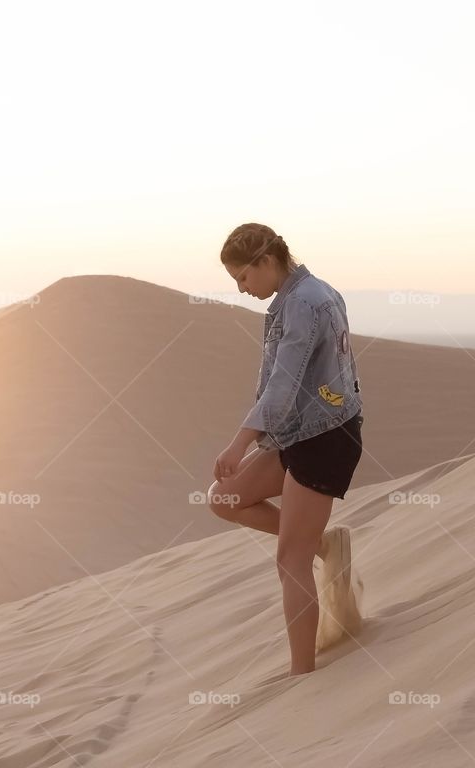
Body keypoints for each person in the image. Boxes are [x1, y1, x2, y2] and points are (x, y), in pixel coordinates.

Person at [208, 222, 365, 676]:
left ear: (266, 261)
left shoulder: (303, 304)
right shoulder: (307, 295)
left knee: (287, 560)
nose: (241, 288)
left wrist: (240, 442)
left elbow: (283, 384)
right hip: (300, 432)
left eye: (243, 277)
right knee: (224, 498)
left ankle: (303, 677)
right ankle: (322, 545)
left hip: (324, 439)